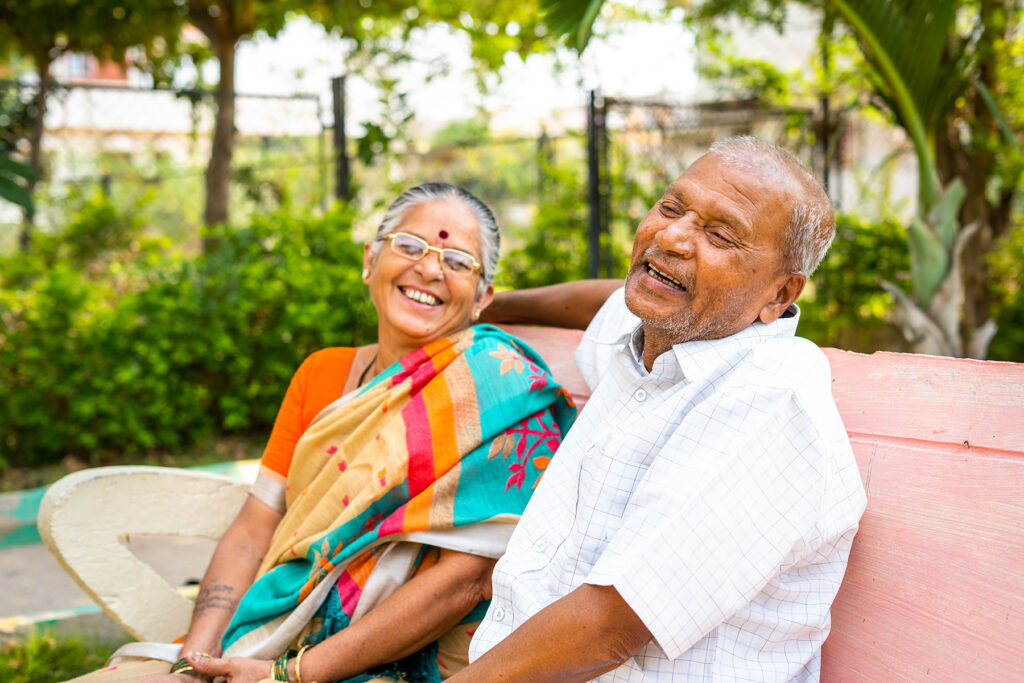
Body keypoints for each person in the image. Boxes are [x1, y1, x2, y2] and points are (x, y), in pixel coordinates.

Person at [71, 182, 576, 683]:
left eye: (457, 261)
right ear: (370, 260)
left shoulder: (504, 389)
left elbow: (464, 581)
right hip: (258, 638)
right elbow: (255, 525)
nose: (428, 268)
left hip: (385, 665)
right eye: (410, 246)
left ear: (484, 294)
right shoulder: (322, 374)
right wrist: (196, 661)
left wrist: (288, 674)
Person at [459, 136, 867, 681]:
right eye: (671, 208)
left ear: (779, 294)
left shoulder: (772, 396)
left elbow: (607, 629)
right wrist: (490, 303)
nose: (671, 237)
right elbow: (603, 301)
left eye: (720, 235)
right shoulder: (655, 339)